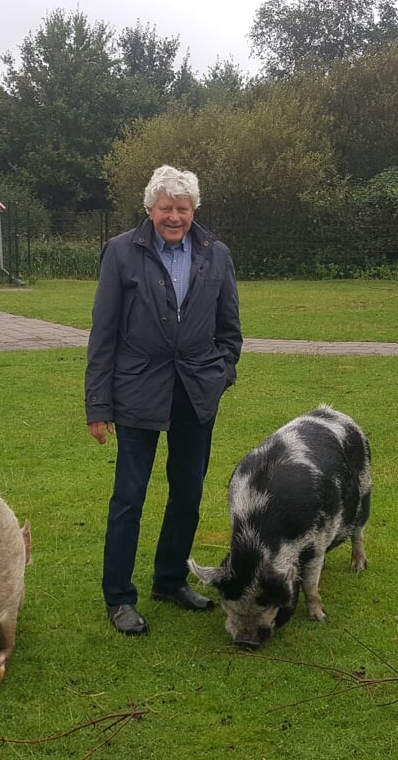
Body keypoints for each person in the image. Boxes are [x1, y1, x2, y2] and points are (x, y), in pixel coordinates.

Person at [85, 164, 242, 635]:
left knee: (188, 494)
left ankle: (170, 580)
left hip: (195, 393)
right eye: (166, 208)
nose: (174, 217)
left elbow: (230, 330)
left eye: (183, 208)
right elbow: (103, 332)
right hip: (136, 391)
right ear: (150, 209)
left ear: (194, 210)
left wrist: (220, 375)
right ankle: (119, 597)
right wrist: (98, 406)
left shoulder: (216, 255)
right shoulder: (120, 253)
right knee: (129, 498)